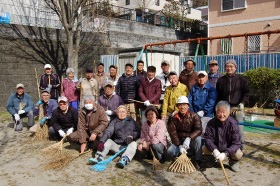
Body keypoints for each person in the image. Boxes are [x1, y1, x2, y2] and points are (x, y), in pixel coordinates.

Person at [216, 59, 249, 150]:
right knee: (224, 129)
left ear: (235, 67)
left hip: (237, 109)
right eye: (227, 66)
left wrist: (242, 103)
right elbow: (218, 95)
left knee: (239, 129)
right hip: (224, 109)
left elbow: (246, 94)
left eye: (231, 66)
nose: (229, 68)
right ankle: (225, 148)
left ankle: (240, 147)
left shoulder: (241, 80)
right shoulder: (221, 80)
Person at [203, 101, 243, 172]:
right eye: (219, 112)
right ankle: (211, 159)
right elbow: (207, 138)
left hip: (228, 148)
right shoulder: (211, 123)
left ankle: (233, 162)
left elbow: (236, 143)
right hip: (216, 147)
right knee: (204, 148)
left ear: (229, 112)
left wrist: (226, 153)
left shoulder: (233, 124)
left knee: (238, 154)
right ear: (216, 112)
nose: (221, 115)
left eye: (224, 112)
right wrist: (214, 149)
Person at [167, 96, 203, 170]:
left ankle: (198, 160)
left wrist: (189, 138)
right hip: (179, 142)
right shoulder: (174, 118)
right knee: (170, 152)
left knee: (199, 139)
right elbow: (173, 133)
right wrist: (180, 145)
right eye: (180, 105)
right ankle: (182, 153)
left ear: (188, 106)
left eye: (184, 105)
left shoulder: (194, 116)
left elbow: (199, 129)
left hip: (190, 142)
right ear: (177, 107)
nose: (182, 107)